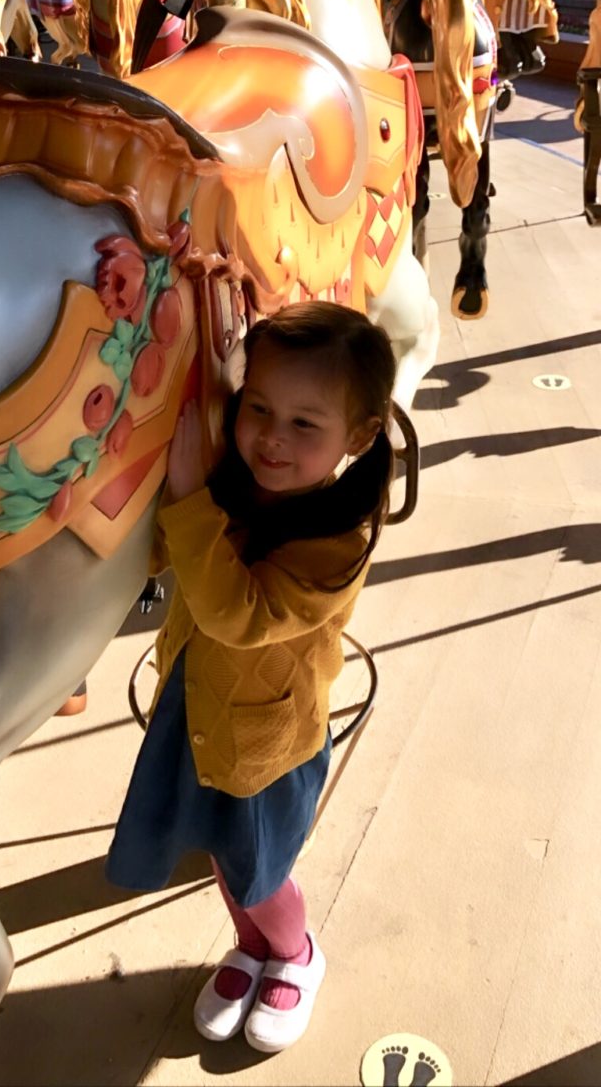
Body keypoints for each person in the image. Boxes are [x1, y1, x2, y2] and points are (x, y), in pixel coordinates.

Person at [106, 302, 396, 1054]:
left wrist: (189, 503)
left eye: (307, 424)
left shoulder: (336, 542)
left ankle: (295, 952)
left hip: (267, 740)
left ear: (358, 438)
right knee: (219, 855)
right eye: (259, 407)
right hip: (197, 711)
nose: (272, 435)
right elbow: (166, 561)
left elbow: (240, 614)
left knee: (258, 870)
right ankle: (252, 947)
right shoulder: (235, 485)